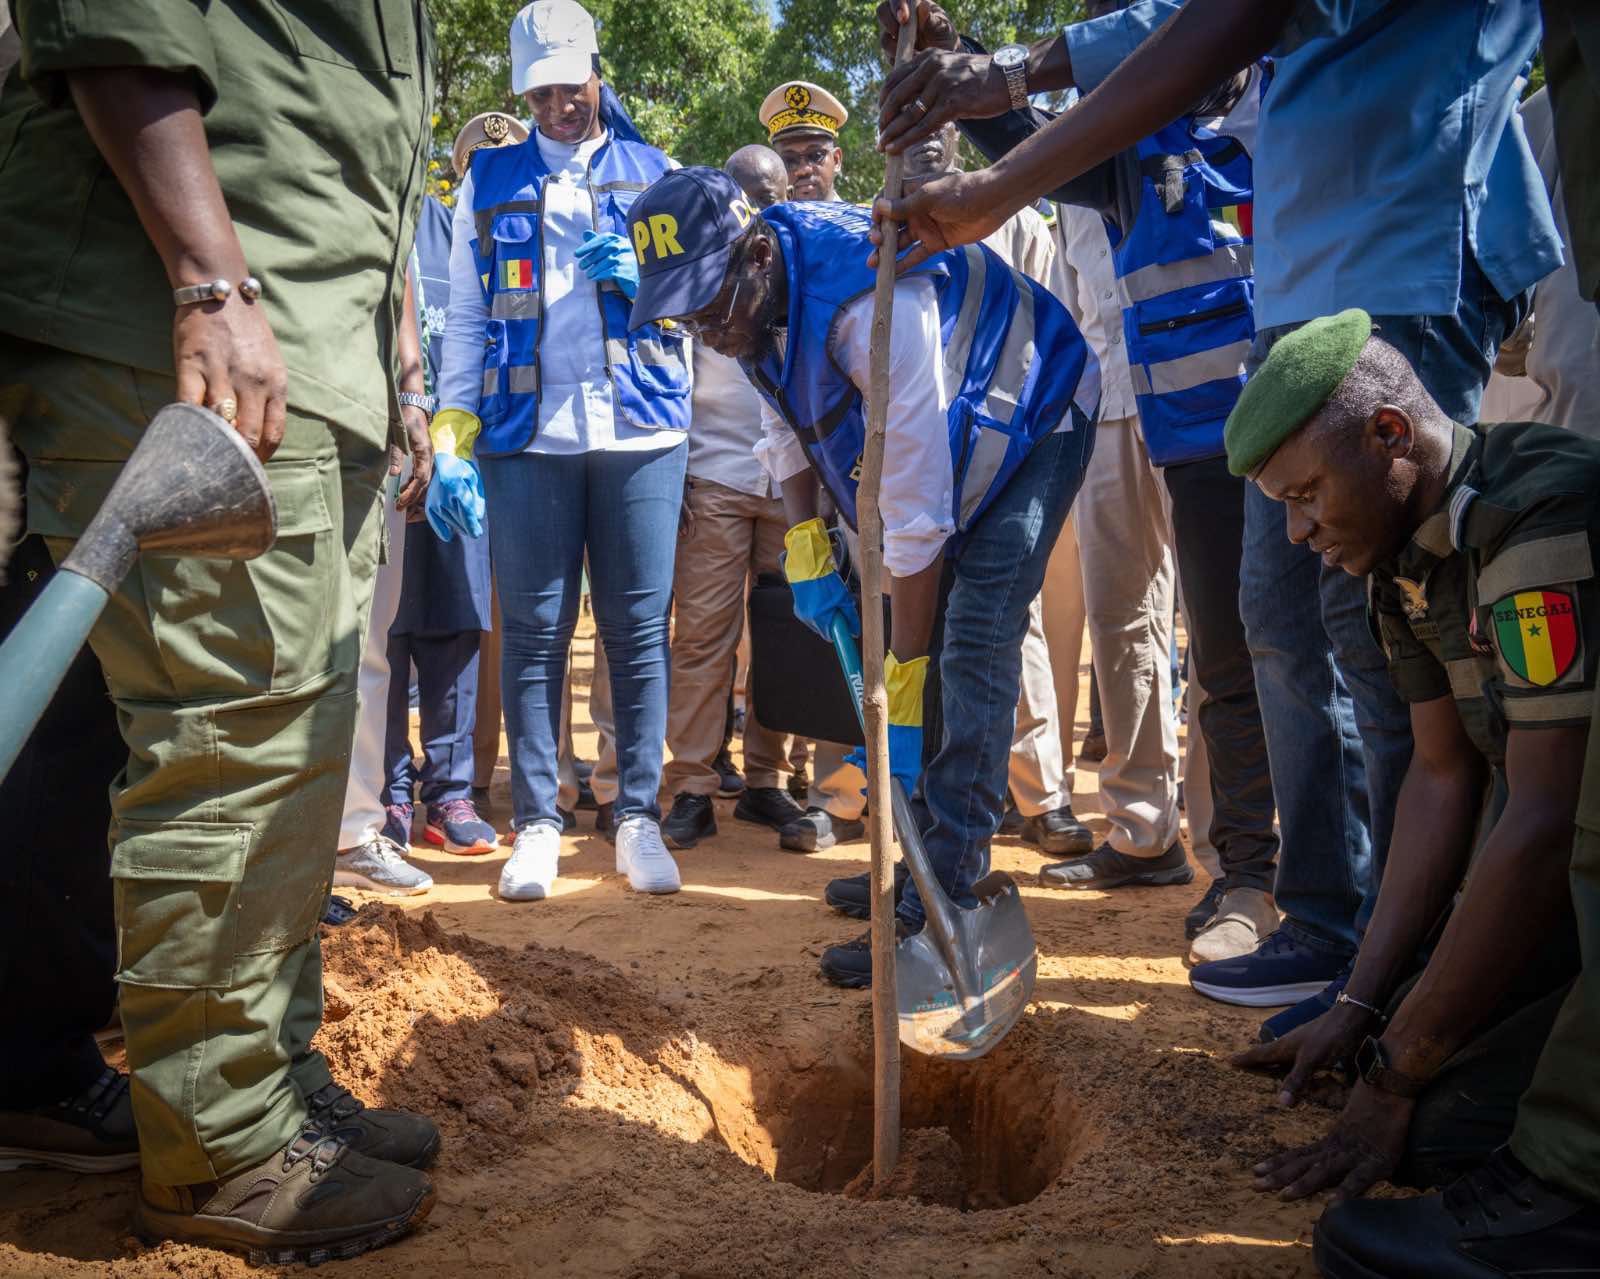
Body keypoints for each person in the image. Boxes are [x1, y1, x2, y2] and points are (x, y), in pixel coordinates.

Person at [874, 0, 1554, 1028]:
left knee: (1377, 650)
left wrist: (1005, 89)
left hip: (1386, 270)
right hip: (1256, 366)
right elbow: (1115, 83)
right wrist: (976, 72)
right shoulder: (1157, 142)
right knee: (1282, 638)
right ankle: (1327, 922)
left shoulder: (1235, 109)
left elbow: (1231, 14)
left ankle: (1407, 959)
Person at [0, 0, 441, 1259]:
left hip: (296, 319)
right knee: (232, 735)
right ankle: (219, 1150)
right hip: (190, 311)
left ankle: (260, 1082)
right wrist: (210, 275)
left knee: (290, 738)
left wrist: (388, 343)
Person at [625, 166, 1099, 986]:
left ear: (758, 256)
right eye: (686, 312)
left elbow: (915, 522)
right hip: (953, 440)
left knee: (972, 645)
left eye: (709, 305)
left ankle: (941, 896)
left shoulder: (870, 310)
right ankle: (912, 865)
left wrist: (904, 685)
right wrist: (808, 542)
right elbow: (785, 424)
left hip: (1034, 412)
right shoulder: (743, 313)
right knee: (934, 648)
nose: (704, 329)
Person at [1218, 312, 1596, 1243]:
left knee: (1433, 1122)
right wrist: (1361, 1006)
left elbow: (1546, 818)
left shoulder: (1531, 518)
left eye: (1308, 494)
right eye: (1284, 509)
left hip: (1578, 871)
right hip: (1556, 880)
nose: (1301, 531)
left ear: (1391, 433)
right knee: (1429, 1110)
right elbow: (1440, 773)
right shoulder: (1406, 555)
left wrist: (1398, 1071)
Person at [942, 11, 1280, 963]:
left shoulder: (1301, 106)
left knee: (1313, 656)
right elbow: (1032, 153)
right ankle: (1247, 870)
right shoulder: (1139, 149)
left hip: (1303, 438)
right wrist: (959, 54)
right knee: (1225, 658)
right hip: (1196, 445)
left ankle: (1330, 881)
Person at [434, 0, 690, 903]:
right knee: (536, 633)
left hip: (641, 427)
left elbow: (703, 303)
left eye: (569, 86)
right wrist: (449, 434)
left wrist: (654, 282)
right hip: (524, 433)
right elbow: (466, 318)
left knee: (635, 632)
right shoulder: (488, 178)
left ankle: (638, 818)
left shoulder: (653, 170)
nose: (557, 106)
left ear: (596, 72)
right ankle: (539, 819)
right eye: (539, 91)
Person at [903, 123, 1093, 860]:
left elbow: (1050, 332)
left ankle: (1033, 799)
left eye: (935, 123)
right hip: (937, 471)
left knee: (996, 629)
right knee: (937, 639)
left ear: (957, 130)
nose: (922, 141)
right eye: (906, 126)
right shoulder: (870, 232)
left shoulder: (1018, 219)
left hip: (1031, 438)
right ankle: (921, 846)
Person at [660, 145, 811, 850]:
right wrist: (678, 477)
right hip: (714, 477)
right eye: (748, 191)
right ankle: (691, 786)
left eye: (772, 191)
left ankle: (765, 783)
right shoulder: (700, 267)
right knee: (703, 639)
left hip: (791, 485)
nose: (761, 203)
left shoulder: (802, 265)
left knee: (785, 635)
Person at [754, 79, 872, 854]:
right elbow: (773, 394)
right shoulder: (762, 249)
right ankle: (843, 800)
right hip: (817, 469)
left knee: (905, 634)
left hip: (889, 466)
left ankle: (933, 794)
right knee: (841, 636)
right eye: (788, 156)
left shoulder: (870, 228)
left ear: (838, 157)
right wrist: (805, 534)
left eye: (814, 153)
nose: (802, 167)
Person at [385, 142, 500, 859]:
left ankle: (449, 792)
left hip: (473, 465)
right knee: (391, 625)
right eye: (474, 159)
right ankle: (391, 790)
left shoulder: (510, 231)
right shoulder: (415, 221)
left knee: (458, 621)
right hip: (395, 454)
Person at [330, 273, 453, 897]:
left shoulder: (387, 184)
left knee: (371, 647)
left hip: (377, 434)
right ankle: (276, 839)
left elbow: (396, 277)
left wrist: (414, 404)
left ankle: (352, 835)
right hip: (284, 406)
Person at [760, 79, 849, 202]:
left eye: (815, 156)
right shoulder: (761, 221)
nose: (803, 170)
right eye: (789, 161)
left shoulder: (869, 220)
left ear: (836, 160)